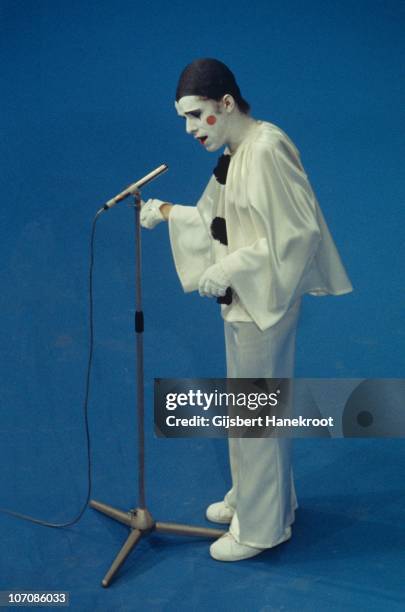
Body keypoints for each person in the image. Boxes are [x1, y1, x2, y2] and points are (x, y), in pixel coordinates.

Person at [140, 58, 353, 561]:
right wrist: (167, 211)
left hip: (263, 305)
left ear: (226, 103)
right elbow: (218, 218)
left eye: (197, 115)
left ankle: (261, 527)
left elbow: (298, 234)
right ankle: (259, 495)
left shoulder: (267, 150)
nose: (192, 129)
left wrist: (232, 268)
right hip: (243, 305)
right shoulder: (237, 152)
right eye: (186, 120)